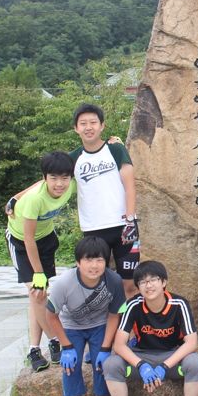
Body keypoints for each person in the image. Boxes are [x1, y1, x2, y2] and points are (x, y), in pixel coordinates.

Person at [101, 261, 198, 396]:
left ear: (164, 282)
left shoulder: (179, 304)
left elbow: (191, 343)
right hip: (142, 355)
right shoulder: (133, 304)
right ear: (138, 287)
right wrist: (142, 366)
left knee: (195, 362)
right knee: (111, 364)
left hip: (172, 357)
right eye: (142, 282)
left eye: (153, 280)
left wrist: (164, 366)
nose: (148, 285)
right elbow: (119, 345)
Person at [44, 236, 125, 396]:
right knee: (70, 366)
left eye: (99, 260)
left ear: (106, 262)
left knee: (103, 365)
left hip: (100, 325)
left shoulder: (114, 280)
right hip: (72, 326)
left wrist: (105, 349)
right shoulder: (65, 282)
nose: (94, 265)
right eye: (88, 260)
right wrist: (66, 346)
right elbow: (51, 315)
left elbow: (115, 315)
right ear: (78, 262)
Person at [6, 151, 76, 372]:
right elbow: (28, 238)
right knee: (38, 292)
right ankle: (55, 340)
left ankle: (34, 349)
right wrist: (37, 273)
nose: (59, 184)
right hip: (22, 242)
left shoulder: (70, 186)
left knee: (36, 296)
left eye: (64, 178)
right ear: (46, 178)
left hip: (46, 239)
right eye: (53, 178)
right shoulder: (35, 199)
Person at [70, 103, 141, 299]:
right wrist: (17, 198)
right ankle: (105, 319)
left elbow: (130, 187)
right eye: (83, 123)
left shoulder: (116, 150)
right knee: (96, 282)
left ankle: (128, 320)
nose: (88, 127)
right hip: (93, 229)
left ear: (102, 125)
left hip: (124, 227)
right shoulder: (74, 158)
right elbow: (50, 180)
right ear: (76, 128)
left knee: (129, 284)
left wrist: (130, 221)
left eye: (93, 122)